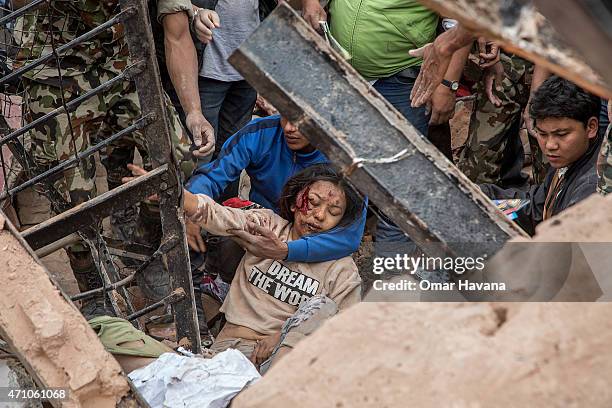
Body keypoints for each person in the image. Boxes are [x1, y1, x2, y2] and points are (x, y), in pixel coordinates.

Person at [13, 0, 208, 315]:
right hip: (55, 67)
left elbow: (177, 32)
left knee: (180, 156)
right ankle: (94, 289)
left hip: (121, 64)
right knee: (73, 195)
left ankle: (143, 253)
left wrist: (195, 112)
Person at [186, 164, 363, 367]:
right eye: (313, 202)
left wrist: (283, 336)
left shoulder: (342, 268)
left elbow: (349, 329)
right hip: (229, 350)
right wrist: (182, 198)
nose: (320, 215)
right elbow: (222, 217)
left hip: (287, 361)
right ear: (295, 202)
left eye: (333, 211)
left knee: (324, 307)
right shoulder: (269, 225)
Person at [185, 114, 367, 263]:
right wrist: (194, 206)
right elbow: (213, 176)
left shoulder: (349, 160)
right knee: (229, 241)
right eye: (285, 115)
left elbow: (349, 237)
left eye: (302, 121)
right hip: (262, 223)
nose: (289, 128)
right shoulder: (259, 133)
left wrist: (287, 251)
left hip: (315, 236)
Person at [480, 76, 602, 235]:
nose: (550, 145)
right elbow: (533, 209)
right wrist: (484, 200)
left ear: (591, 127)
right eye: (542, 134)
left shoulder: (591, 188)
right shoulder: (568, 160)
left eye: (562, 134)